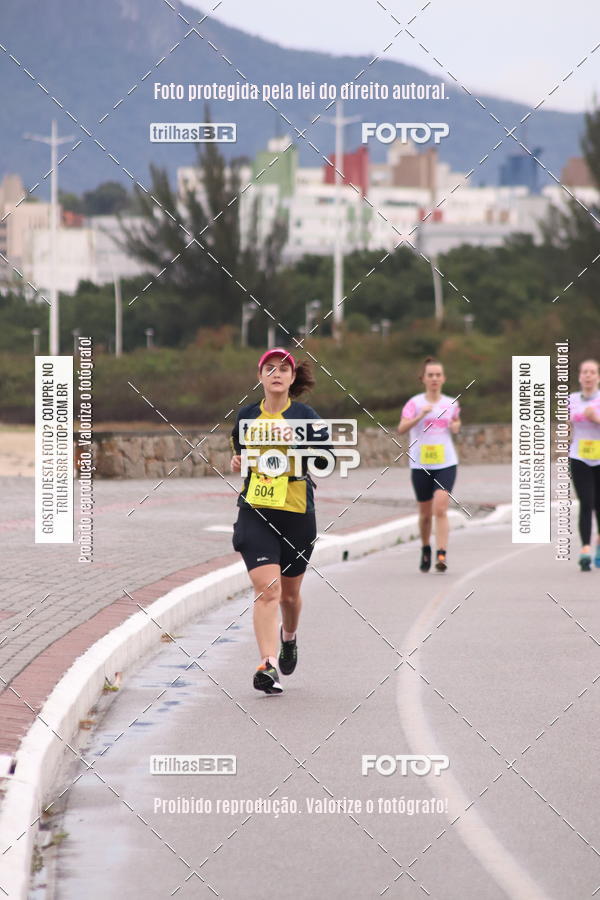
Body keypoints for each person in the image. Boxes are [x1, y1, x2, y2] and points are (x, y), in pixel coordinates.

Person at [229, 348, 333, 694]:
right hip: (256, 509)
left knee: (289, 596)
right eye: (269, 368)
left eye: (283, 369)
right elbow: (241, 454)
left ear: (291, 378)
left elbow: (327, 463)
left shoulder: (306, 416)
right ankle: (267, 664)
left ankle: (289, 638)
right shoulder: (246, 418)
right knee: (267, 591)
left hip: (296, 512)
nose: (276, 373)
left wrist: (300, 445)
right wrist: (237, 462)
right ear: (259, 376)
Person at [397, 357, 461, 573]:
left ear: (443, 379)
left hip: (446, 462)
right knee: (425, 515)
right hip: (420, 464)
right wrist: (420, 416)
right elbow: (401, 428)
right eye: (430, 375)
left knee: (440, 507)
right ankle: (426, 547)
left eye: (438, 375)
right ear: (423, 379)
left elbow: (456, 422)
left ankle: (441, 553)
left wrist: (455, 426)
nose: (434, 378)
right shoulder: (414, 403)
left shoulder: (451, 402)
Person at [568, 359, 600, 571]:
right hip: (579, 457)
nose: (588, 375)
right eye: (584, 372)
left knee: (599, 504)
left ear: (598, 377)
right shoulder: (571, 399)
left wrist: (595, 418)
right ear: (580, 376)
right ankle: (585, 549)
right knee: (586, 503)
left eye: (592, 372)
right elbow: (568, 424)